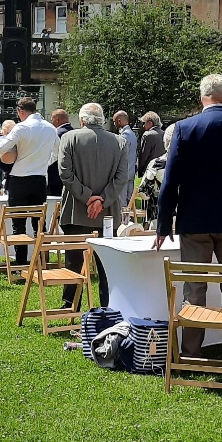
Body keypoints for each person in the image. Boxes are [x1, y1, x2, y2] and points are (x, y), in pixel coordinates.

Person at [155, 73, 222, 358]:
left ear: (203, 98)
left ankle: (191, 352)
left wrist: (163, 225)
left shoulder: (184, 128)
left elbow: (170, 181)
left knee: (194, 288)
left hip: (195, 221)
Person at [57, 102, 126, 306]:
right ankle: (108, 305)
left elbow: (64, 173)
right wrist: (101, 199)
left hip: (76, 211)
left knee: (74, 260)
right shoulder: (120, 142)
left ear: (82, 120)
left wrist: (88, 198)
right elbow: (122, 178)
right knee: (106, 264)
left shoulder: (69, 138)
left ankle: (70, 303)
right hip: (107, 213)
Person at [0, 97, 60, 265]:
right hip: (39, 179)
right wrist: (44, 162)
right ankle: (42, 260)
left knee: (19, 223)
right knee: (39, 223)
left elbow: (1, 147)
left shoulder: (21, 128)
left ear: (20, 112)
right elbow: (58, 153)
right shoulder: (51, 129)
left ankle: (20, 263)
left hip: (19, 179)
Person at [113, 110, 138, 210]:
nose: (114, 124)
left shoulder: (124, 136)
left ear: (119, 121)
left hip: (123, 174)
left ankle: (124, 224)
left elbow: (121, 156)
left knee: (122, 203)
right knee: (129, 202)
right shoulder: (132, 134)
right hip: (131, 172)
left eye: (115, 122)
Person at [47, 108, 73, 197]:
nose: (51, 122)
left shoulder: (57, 133)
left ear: (57, 119)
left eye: (52, 120)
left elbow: (52, 153)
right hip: (71, 175)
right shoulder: (74, 132)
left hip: (55, 174)